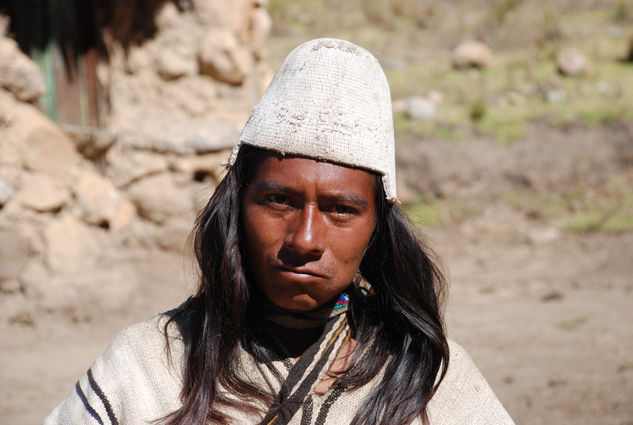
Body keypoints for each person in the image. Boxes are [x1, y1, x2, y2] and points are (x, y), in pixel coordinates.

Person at [43, 38, 514, 425]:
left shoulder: (428, 379)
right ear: (237, 206)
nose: (305, 239)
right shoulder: (147, 368)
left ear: (377, 229)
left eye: (342, 210)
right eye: (278, 201)